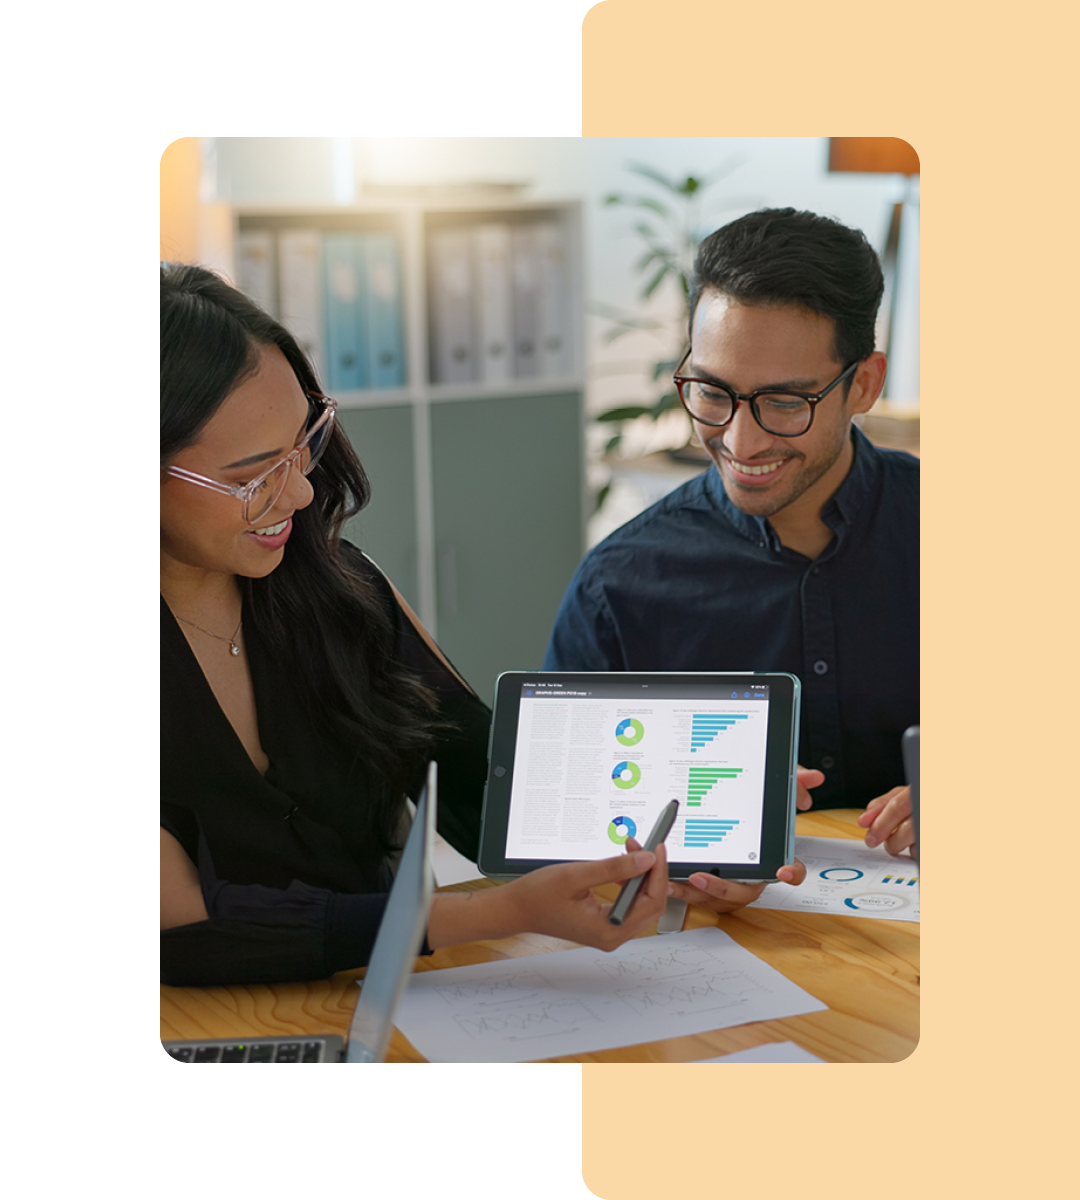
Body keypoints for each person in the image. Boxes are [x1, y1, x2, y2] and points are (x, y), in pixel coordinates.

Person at [159, 263, 668, 987]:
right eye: (253, 476)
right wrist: (492, 915)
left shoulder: (337, 586)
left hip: (380, 1006)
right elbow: (187, 926)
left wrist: (679, 842)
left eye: (304, 443)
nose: (301, 490)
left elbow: (478, 777)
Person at [544, 209, 919, 911]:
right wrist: (661, 860)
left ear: (864, 385)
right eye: (713, 393)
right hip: (709, 961)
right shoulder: (619, 583)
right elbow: (563, 832)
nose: (740, 441)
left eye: (784, 402)